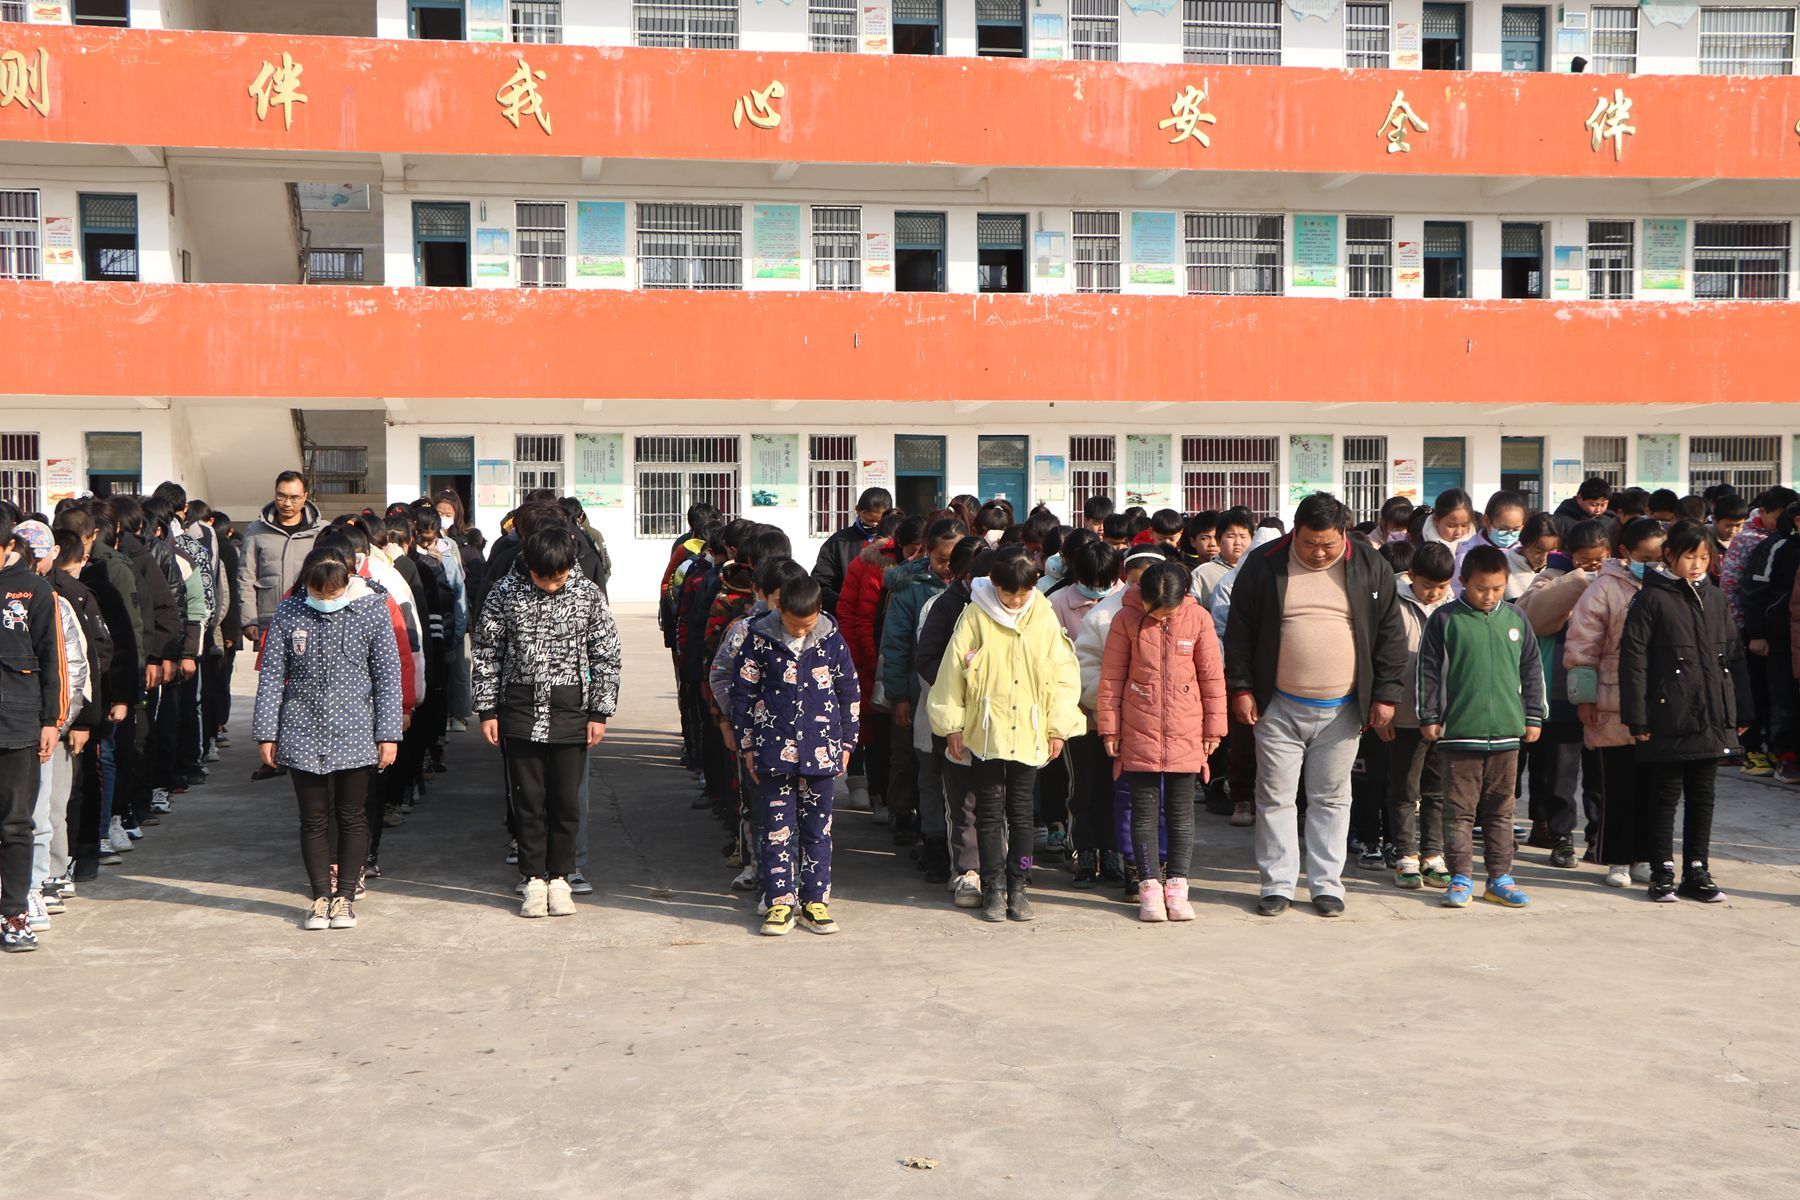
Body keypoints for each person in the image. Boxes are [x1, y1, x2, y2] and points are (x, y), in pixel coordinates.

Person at [1223, 493, 1405, 919]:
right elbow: (1239, 630)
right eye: (1309, 543)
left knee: (1332, 798)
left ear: (1344, 532)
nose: (1319, 553)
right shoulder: (1265, 562)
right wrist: (1241, 687)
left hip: (1344, 708)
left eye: (1328, 544)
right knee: (1275, 797)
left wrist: (1386, 694)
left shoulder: (1369, 563)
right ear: (1294, 533)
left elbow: (1390, 634)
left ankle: (1326, 884)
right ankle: (1277, 883)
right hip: (1277, 705)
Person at [928, 545, 1083, 923]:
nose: (1015, 600)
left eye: (1023, 592)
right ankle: (993, 886)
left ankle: (1020, 883)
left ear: (1034, 585)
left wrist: (1057, 727)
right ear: (993, 583)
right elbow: (951, 674)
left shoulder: (1044, 616)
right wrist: (952, 724)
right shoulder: (974, 615)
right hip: (986, 732)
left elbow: (1064, 676)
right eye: (1007, 592)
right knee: (988, 813)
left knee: (1022, 815)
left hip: (1029, 731)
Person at [473, 524, 620, 920]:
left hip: (572, 711)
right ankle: (533, 878)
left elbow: (606, 655)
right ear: (529, 566)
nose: (552, 585)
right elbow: (486, 651)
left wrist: (600, 713)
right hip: (519, 710)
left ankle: (561, 877)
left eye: (559, 577)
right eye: (543, 577)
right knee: (528, 800)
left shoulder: (587, 595)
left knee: (566, 801)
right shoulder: (505, 593)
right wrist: (487, 710)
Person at [252, 550, 403, 932]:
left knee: (352, 816)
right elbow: (271, 676)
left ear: (346, 583)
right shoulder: (289, 612)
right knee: (313, 818)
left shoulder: (371, 610)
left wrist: (388, 735)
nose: (324, 600)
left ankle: (346, 897)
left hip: (355, 731)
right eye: (316, 592)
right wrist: (267, 733)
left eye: (331, 593)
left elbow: (388, 677)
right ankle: (321, 896)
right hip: (302, 730)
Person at [1619, 521, 1752, 903]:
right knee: (1665, 796)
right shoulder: (1651, 598)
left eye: (1704, 557)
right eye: (1690, 556)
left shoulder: (1716, 598)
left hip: (1712, 715)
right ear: (1669, 556)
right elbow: (1634, 660)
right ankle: (1661, 870)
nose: (1697, 565)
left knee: (1703, 795)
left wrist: (1742, 710)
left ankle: (1697, 870)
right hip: (1669, 715)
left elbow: (1734, 656)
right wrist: (1637, 716)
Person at [1417, 545, 1547, 909]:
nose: (1489, 596)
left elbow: (1532, 669)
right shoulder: (1444, 620)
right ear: (1462, 582)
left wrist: (1533, 715)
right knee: (1459, 811)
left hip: (1507, 735)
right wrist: (1429, 716)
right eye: (1480, 589)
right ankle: (1460, 878)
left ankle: (1499, 878)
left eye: (1497, 588)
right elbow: (1427, 671)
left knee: (1501, 811)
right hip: (1459, 734)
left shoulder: (1517, 619)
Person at [1096, 560, 1225, 923]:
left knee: (1182, 815)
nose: (1160, 616)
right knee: (1144, 812)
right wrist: (1111, 729)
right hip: (1139, 729)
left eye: (1168, 611)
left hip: (1187, 730)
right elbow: (1111, 678)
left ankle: (1178, 888)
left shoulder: (1199, 619)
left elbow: (1212, 678)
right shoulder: (1125, 620)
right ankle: (1149, 887)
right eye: (1154, 610)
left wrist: (1213, 730)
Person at [729, 575, 858, 937]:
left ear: (819, 611)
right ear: (779, 609)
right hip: (773, 753)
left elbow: (849, 691)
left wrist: (847, 744)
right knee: (776, 830)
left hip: (822, 751)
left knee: (818, 830)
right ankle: (779, 902)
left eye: (807, 624)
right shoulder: (758, 639)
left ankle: (815, 901)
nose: (800, 631)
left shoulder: (832, 639)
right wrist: (747, 746)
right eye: (793, 624)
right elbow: (742, 695)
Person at [1564, 517, 1666, 888]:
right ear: (1626, 553)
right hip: (1612, 703)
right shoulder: (1604, 588)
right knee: (1617, 787)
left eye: (1660, 558)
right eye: (1646, 558)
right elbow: (1582, 645)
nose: (1654, 565)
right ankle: (1618, 859)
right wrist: (1585, 698)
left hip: (1657, 705)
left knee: (1652, 789)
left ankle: (1645, 856)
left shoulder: (1670, 586)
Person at [1516, 518, 1610, 867]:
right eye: (1585, 560)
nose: (1593, 566)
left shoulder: (1617, 580)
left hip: (1605, 691)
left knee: (1600, 775)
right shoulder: (1552, 577)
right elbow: (1533, 617)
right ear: (1570, 554)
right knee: (1560, 773)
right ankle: (1561, 837)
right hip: (1559, 691)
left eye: (1599, 559)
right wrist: (1579, 580)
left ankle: (1600, 835)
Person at [0, 513, 66, 952]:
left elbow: (52, 658)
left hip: (18, 725)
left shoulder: (34, 590)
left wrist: (51, 721)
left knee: (14, 825)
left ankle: (14, 914)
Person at [1385, 540, 1455, 890]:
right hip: (1403, 715)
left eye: (1442, 587)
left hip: (1444, 718)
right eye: (1428, 586)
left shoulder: (1455, 607)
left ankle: (1432, 854)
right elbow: (1379, 657)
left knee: (1437, 790)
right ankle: (1405, 855)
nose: (1434, 593)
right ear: (1411, 575)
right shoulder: (1391, 603)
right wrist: (1382, 708)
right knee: (1404, 788)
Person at [235, 471, 323, 647]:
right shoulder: (256, 531)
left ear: (305, 496)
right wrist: (249, 619)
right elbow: (246, 576)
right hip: (269, 619)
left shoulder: (320, 531)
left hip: (313, 617)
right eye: (281, 496)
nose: (287, 503)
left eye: (294, 497)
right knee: (270, 665)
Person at [811, 488, 892, 614]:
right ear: (858, 510)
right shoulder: (838, 542)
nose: (874, 525)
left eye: (879, 522)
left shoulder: (895, 542)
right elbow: (821, 583)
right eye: (869, 520)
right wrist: (844, 604)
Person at [1190, 506, 1254, 610]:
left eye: (1243, 536)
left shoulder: (1258, 571)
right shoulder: (1200, 574)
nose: (1237, 542)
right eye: (1231, 536)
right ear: (1219, 540)